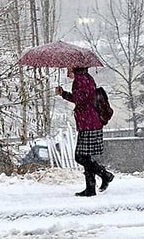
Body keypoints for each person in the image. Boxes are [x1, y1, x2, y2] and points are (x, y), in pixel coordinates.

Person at [55, 67, 114, 197]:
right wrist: (64, 93)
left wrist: (63, 94)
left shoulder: (80, 79)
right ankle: (90, 189)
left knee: (80, 156)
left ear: (73, 67)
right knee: (86, 156)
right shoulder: (87, 77)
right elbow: (82, 98)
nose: (66, 71)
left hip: (88, 123)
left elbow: (80, 100)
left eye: (68, 68)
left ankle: (105, 175)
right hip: (91, 122)